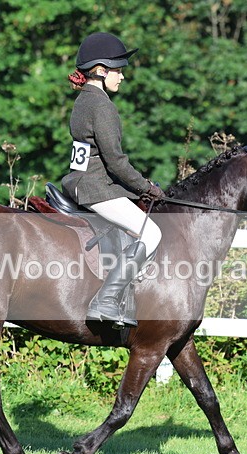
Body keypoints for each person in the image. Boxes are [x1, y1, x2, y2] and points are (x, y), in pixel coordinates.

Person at [62, 32, 164, 327]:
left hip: (80, 182)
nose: (122, 77)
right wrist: (147, 188)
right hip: (96, 188)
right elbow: (116, 162)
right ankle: (106, 300)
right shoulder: (102, 105)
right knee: (152, 234)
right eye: (118, 70)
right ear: (101, 70)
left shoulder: (83, 101)